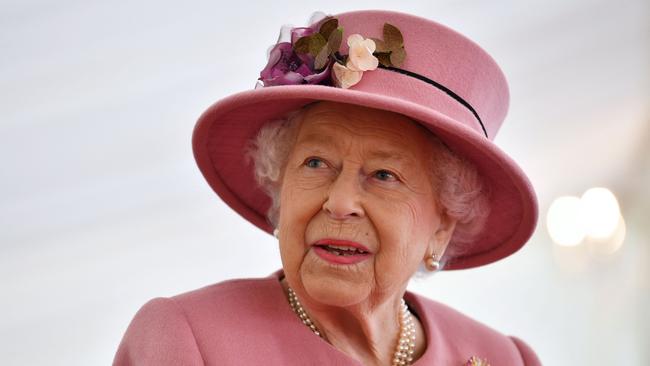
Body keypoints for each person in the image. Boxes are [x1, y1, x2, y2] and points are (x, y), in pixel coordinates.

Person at [114, 10, 541, 366]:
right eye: (316, 163)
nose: (339, 202)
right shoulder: (187, 341)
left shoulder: (502, 357)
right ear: (281, 192)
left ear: (443, 225)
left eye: (383, 175)